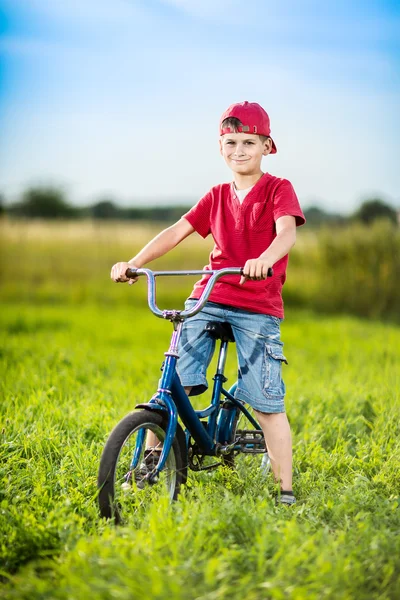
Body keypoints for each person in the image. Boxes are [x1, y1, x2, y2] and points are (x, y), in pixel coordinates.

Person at [111, 101, 306, 505]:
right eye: (231, 142)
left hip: (257, 302)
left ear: (267, 146)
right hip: (211, 294)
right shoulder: (216, 195)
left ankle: (285, 490)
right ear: (220, 148)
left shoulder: (278, 189)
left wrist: (265, 260)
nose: (240, 150)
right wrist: (134, 263)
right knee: (170, 381)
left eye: (249, 142)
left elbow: (285, 233)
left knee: (268, 403)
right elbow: (176, 231)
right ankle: (148, 464)